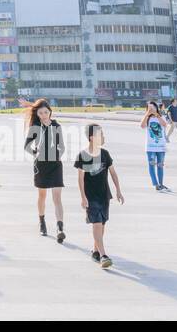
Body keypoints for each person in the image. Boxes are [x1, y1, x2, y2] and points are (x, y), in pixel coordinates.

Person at [75, 123, 124, 268]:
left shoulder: (105, 154)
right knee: (96, 224)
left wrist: (118, 190)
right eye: (100, 134)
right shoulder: (83, 155)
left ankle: (96, 251)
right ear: (92, 138)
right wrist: (83, 197)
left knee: (102, 224)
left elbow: (113, 173)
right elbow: (80, 178)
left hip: (104, 195)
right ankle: (103, 255)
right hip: (91, 196)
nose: (103, 137)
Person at [23, 98, 65, 242]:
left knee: (57, 198)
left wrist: (57, 155)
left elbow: (62, 147)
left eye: (46, 112)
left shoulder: (56, 126)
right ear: (38, 114)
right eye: (40, 113)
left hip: (55, 165)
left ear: (50, 112)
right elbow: (27, 146)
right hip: (40, 165)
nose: (43, 115)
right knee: (42, 196)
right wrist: (36, 153)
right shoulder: (35, 126)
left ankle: (60, 228)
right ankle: (42, 223)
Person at [141, 101, 169, 192]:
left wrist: (156, 114)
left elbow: (165, 125)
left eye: (153, 107)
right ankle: (156, 184)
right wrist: (147, 114)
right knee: (152, 165)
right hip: (150, 147)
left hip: (161, 147)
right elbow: (142, 126)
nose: (152, 109)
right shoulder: (147, 118)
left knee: (160, 165)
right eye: (150, 108)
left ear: (157, 108)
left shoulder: (161, 117)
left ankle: (161, 184)